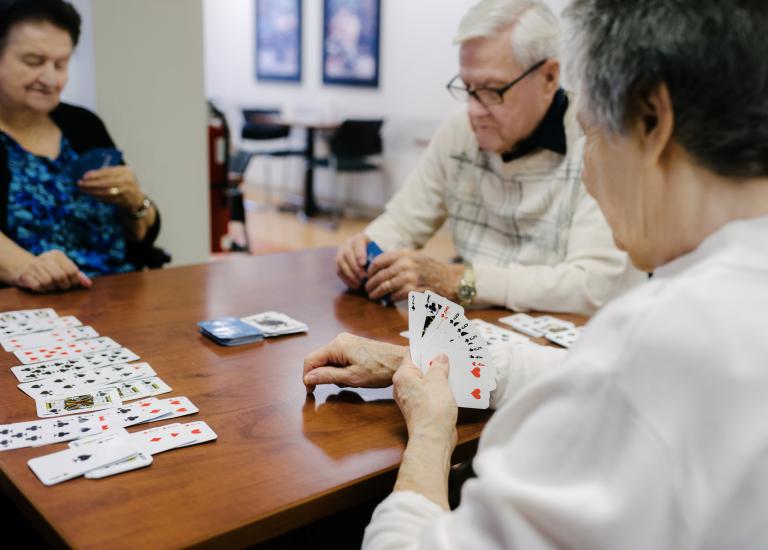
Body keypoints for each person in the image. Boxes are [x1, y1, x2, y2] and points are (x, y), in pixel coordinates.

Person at [304, 0, 768, 547]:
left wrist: (431, 431)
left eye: (593, 133)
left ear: (651, 120)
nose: (589, 176)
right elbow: (594, 374)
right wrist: (418, 361)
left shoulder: (658, 342)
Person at [335, 0, 643, 316]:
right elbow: (402, 221)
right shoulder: (458, 133)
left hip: (565, 337)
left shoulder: (596, 140)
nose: (474, 110)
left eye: (492, 90)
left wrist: (464, 281)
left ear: (550, 77)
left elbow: (593, 286)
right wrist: (368, 246)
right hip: (480, 328)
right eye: (468, 88)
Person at [0, 0, 161, 293]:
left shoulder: (83, 124)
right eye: (34, 62)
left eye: (61, 64)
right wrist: (28, 268)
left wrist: (136, 202)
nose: (51, 79)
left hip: (122, 295)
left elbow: (143, 236)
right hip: (31, 312)